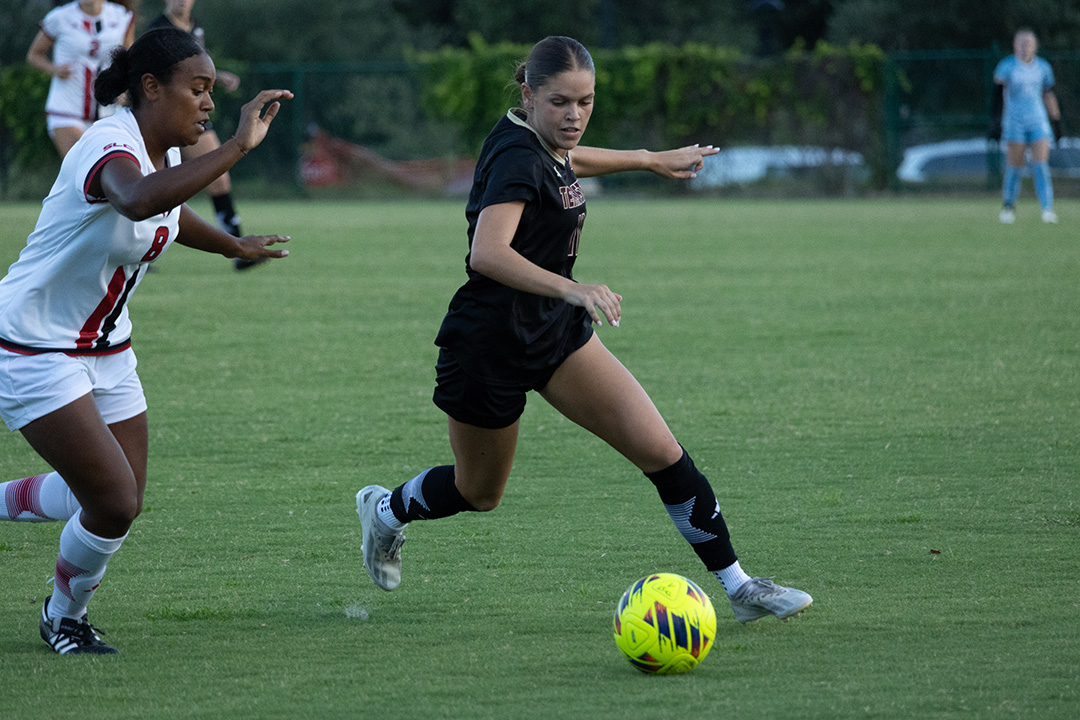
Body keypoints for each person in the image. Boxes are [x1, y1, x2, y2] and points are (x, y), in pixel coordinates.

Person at [355, 36, 813, 625]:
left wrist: (649, 159)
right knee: (479, 493)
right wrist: (572, 287)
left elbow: (572, 160)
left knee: (662, 453)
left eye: (586, 102)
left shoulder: (538, 141)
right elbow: (486, 254)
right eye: (560, 103)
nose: (574, 117)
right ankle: (386, 510)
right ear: (528, 94)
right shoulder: (518, 157)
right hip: (489, 344)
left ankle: (740, 586)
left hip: (555, 335)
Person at [0, 27, 292, 654]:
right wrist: (239, 147)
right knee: (112, 503)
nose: (209, 103)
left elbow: (168, 209)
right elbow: (136, 201)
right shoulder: (108, 142)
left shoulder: (167, 157)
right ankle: (63, 617)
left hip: (108, 350)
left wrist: (232, 244)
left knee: (117, 495)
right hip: (33, 346)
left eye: (213, 90)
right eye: (199, 89)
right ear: (152, 88)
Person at [143, 0, 258, 269]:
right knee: (153, 185)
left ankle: (238, 248)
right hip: (169, 116)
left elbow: (195, 67)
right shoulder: (159, 29)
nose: (181, 1)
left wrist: (219, 76)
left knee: (218, 178)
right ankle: (138, 247)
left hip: (192, 113)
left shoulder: (196, 27)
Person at [26, 0, 136, 158]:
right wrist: (54, 69)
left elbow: (128, 60)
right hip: (66, 110)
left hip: (109, 113)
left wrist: (125, 90)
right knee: (84, 163)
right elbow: (34, 55)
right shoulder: (60, 17)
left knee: (106, 170)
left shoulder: (121, 16)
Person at [994, 29, 1062, 224]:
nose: (1025, 47)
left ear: (1035, 46)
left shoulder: (1043, 68)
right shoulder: (1007, 67)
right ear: (1015, 45)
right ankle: (1008, 206)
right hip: (1014, 122)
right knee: (1014, 167)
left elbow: (1048, 95)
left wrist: (1057, 123)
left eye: (1028, 43)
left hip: (1038, 121)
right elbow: (997, 97)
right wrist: (996, 122)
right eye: (1021, 43)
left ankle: (1047, 209)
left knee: (1041, 166)